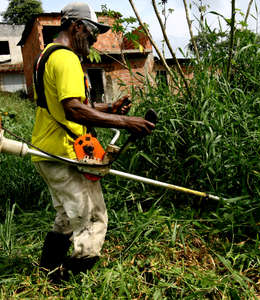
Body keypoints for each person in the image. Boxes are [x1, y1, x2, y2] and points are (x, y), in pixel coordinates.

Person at [31, 2, 155, 282]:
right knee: (93, 220)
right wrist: (128, 122)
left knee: (65, 216)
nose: (94, 40)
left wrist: (109, 109)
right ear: (76, 26)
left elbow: (68, 105)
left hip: (46, 151)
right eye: (91, 33)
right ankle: (67, 280)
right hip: (64, 153)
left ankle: (46, 272)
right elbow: (73, 109)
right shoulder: (66, 59)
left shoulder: (47, 55)